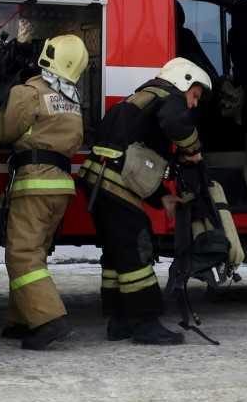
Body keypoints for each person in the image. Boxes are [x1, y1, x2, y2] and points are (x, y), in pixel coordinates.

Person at [77, 57, 212, 345]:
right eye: (195, 96)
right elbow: (176, 122)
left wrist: (162, 197)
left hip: (98, 182)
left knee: (117, 252)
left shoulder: (140, 99)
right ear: (184, 81)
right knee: (138, 248)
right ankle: (145, 322)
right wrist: (194, 149)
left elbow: (132, 157)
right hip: (113, 185)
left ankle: (119, 320)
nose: (194, 104)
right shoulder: (169, 96)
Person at [0, 35, 89, 351]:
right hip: (61, 186)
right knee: (35, 253)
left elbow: (6, 132)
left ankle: (49, 320)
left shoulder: (28, 92)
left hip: (33, 183)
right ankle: (21, 319)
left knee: (21, 254)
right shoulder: (73, 100)